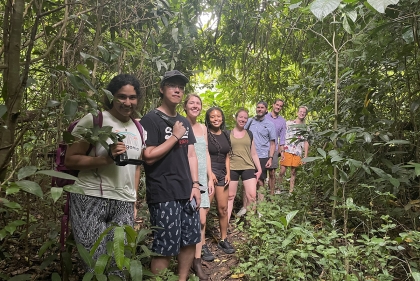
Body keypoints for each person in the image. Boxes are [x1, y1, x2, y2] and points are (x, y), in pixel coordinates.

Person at [65, 74, 145, 277]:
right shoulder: (95, 120)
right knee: (94, 265)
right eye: (122, 97)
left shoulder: (139, 128)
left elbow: (136, 167)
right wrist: (105, 159)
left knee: (120, 265)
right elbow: (71, 159)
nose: (127, 103)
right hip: (90, 197)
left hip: (124, 202)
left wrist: (133, 200)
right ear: (112, 97)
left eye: (132, 97)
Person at [140, 70, 201, 281]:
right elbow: (148, 156)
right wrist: (175, 136)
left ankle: (182, 279)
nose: (177, 90)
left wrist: (195, 185)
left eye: (181, 87)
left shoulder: (184, 121)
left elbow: (191, 155)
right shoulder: (151, 119)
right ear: (161, 89)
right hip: (163, 191)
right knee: (165, 245)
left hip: (186, 190)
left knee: (190, 240)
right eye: (172, 85)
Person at [184, 93, 214, 280]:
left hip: (203, 177)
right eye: (192, 103)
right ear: (185, 106)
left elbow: (207, 153)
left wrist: (210, 177)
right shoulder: (180, 125)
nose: (195, 106)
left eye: (198, 103)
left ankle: (197, 260)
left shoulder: (203, 127)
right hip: (187, 179)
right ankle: (186, 261)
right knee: (194, 220)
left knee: (202, 221)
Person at [205, 107, 235, 254]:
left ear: (222, 118)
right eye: (212, 117)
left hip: (223, 174)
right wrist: (210, 173)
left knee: (223, 209)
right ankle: (201, 244)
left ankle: (223, 239)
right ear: (208, 119)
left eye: (218, 116)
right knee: (205, 210)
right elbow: (203, 154)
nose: (216, 119)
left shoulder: (225, 134)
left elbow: (227, 155)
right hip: (209, 175)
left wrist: (228, 173)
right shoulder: (205, 133)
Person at [227, 108, 262, 221]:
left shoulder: (249, 134)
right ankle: (225, 223)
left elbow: (254, 153)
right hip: (232, 167)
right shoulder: (228, 133)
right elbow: (225, 153)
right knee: (230, 196)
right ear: (236, 118)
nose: (243, 119)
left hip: (248, 167)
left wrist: (259, 169)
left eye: (245, 118)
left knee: (252, 196)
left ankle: (253, 223)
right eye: (240, 117)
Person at [245, 101, 276, 201]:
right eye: (258, 107)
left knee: (260, 181)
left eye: (262, 107)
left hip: (262, 155)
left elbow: (272, 143)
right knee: (248, 180)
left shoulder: (270, 124)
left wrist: (270, 158)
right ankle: (247, 207)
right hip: (248, 156)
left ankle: (261, 207)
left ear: (266, 110)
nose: (260, 109)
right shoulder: (249, 121)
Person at [279, 105, 310, 193]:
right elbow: (282, 136)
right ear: (297, 112)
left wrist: (306, 156)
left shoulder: (306, 128)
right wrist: (280, 148)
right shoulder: (289, 123)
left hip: (297, 151)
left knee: (293, 172)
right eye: (301, 111)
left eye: (304, 112)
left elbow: (306, 142)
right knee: (282, 170)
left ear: (305, 115)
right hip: (287, 149)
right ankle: (278, 188)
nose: (302, 113)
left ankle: (291, 192)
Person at [265, 99, 286, 195]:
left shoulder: (282, 121)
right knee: (260, 173)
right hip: (262, 148)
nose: (278, 107)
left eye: (280, 106)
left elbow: (281, 139)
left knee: (272, 173)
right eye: (277, 105)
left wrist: (282, 152)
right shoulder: (264, 117)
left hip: (274, 149)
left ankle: (271, 195)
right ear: (273, 105)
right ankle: (258, 196)